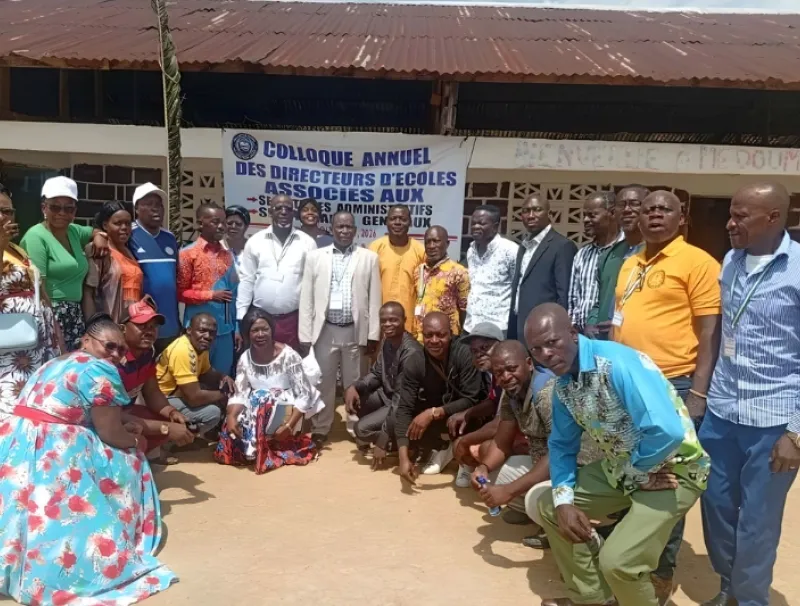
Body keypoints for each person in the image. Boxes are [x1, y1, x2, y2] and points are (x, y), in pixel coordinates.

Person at [527, 304, 708, 606]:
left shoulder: (615, 364)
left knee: (618, 561)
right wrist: (565, 500)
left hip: (675, 470)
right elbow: (561, 446)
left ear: (572, 333)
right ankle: (594, 599)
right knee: (551, 505)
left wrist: (635, 470)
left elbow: (667, 431)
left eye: (552, 342)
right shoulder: (563, 387)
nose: (545, 353)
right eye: (536, 349)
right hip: (625, 468)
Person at [0, 314, 176, 604]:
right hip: (53, 444)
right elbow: (109, 432)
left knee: (21, 505)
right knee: (129, 458)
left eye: (122, 350)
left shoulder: (56, 361)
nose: (118, 356)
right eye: (110, 347)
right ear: (86, 341)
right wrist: (135, 442)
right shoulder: (99, 369)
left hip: (16, 438)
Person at [699, 183, 800, 606]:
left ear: (773, 218)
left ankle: (750, 598)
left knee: (758, 524)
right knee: (716, 509)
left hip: (773, 421)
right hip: (722, 413)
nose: (730, 222)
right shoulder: (730, 261)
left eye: (741, 215)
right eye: (731, 212)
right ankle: (730, 585)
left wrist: (795, 432)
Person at [300, 211, 381, 445]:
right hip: (325, 330)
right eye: (339, 227)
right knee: (324, 382)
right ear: (332, 229)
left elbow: (375, 298)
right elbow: (306, 298)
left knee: (355, 382)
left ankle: (357, 428)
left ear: (355, 230)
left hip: (355, 331)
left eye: (348, 227)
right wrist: (305, 335)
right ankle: (321, 427)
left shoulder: (368, 258)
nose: (344, 231)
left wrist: (373, 335)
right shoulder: (315, 257)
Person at [215, 307, 320, 473]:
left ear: (272, 330)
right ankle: (252, 448)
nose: (260, 334)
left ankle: (257, 448)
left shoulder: (288, 355)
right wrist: (231, 416)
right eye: (255, 330)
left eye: (265, 329)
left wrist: (289, 426)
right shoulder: (245, 358)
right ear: (247, 334)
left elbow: (305, 394)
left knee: (261, 396)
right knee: (239, 414)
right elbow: (240, 391)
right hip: (259, 406)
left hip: (288, 407)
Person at [21, 176, 109, 350]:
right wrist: (53, 325)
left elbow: (94, 231)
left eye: (68, 208)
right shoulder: (36, 236)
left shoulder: (74, 231)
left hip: (75, 313)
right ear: (43, 208)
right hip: (51, 311)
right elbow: (39, 286)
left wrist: (100, 237)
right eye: (55, 207)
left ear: (75, 211)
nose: (62, 213)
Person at [393, 312, 482, 481]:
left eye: (441, 335)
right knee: (400, 422)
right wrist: (403, 458)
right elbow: (404, 408)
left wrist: (433, 412)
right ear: (422, 334)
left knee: (465, 415)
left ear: (451, 333)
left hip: (467, 413)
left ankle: (466, 460)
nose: (434, 340)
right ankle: (442, 447)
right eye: (429, 335)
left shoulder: (464, 353)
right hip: (440, 411)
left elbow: (472, 398)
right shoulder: (415, 360)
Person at [0, 183, 62, 417]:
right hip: (7, 353)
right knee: (9, 411)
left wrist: (58, 341)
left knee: (36, 407)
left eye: (8, 211)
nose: (3, 216)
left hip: (37, 345)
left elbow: (40, 293)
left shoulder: (17, 249)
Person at [118, 296, 195, 462]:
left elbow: (152, 392)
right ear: (122, 329)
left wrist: (172, 413)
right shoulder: (113, 360)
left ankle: (142, 457)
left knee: (165, 418)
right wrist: (166, 428)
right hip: (103, 421)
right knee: (145, 437)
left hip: (125, 413)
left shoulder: (147, 353)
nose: (149, 331)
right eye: (141, 325)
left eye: (153, 327)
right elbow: (110, 416)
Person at [345, 302, 423, 466]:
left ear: (404, 320)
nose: (388, 324)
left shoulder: (410, 352)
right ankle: (394, 439)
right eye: (384, 321)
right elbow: (377, 374)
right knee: (357, 399)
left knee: (361, 430)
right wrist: (354, 387)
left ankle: (402, 444)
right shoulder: (388, 342)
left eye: (393, 320)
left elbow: (400, 402)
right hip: (387, 396)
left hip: (404, 405)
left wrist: (382, 439)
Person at [237, 194, 316, 351]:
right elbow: (247, 280)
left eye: (288, 208)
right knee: (261, 368)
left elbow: (312, 285)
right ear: (269, 212)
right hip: (259, 320)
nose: (283, 212)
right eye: (278, 208)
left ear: (293, 213)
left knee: (291, 367)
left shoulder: (307, 242)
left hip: (294, 320)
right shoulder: (255, 241)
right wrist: (241, 316)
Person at [178, 202, 238, 376]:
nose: (221, 226)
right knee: (197, 378)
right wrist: (211, 295)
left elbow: (234, 294)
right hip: (199, 333)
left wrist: (237, 328)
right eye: (215, 221)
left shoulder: (228, 255)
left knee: (223, 379)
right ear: (200, 223)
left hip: (225, 331)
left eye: (223, 222)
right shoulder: (187, 254)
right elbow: (180, 293)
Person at [508, 194, 576, 341]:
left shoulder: (562, 246)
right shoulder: (524, 246)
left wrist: (557, 330)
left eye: (537, 210)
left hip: (544, 330)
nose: (531, 215)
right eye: (526, 211)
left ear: (549, 214)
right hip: (519, 326)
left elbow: (563, 294)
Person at [156, 313, 235, 439]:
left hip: (175, 395)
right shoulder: (182, 350)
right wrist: (225, 394)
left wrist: (223, 377)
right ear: (189, 330)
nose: (207, 336)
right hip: (161, 400)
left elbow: (206, 373)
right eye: (202, 331)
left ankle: (186, 436)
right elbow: (194, 398)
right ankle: (177, 439)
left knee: (212, 391)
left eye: (212, 332)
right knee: (212, 413)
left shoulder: (199, 346)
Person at [586, 185, 648, 340]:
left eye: (634, 204)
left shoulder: (656, 254)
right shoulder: (609, 255)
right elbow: (600, 300)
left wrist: (620, 322)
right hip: (604, 343)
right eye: (622, 205)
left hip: (637, 342)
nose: (627, 210)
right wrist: (591, 322)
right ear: (615, 213)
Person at [449, 322, 506, 488]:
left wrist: (464, 441)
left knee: (482, 448)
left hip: (526, 440)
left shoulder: (508, 372)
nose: (479, 354)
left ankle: (495, 479)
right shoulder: (493, 374)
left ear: (500, 346)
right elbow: (493, 402)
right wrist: (467, 413)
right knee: (462, 418)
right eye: (474, 351)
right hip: (507, 430)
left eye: (485, 347)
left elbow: (500, 425)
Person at [129, 182, 181, 354]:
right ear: (137, 208)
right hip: (143, 327)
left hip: (170, 325)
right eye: (149, 204)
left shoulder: (170, 238)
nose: (156, 209)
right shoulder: (128, 234)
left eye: (159, 205)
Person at [567, 191, 623, 334]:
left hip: (612, 334)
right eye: (584, 215)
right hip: (583, 337)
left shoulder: (627, 252)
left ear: (611, 213)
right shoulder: (582, 254)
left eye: (592, 215)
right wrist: (573, 327)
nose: (585, 220)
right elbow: (574, 298)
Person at [83, 201, 143, 323]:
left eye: (127, 223)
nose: (124, 228)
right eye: (118, 223)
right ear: (105, 225)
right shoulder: (100, 250)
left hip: (132, 327)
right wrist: (93, 327)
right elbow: (88, 294)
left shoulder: (130, 251)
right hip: (108, 326)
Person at [368, 204, 426, 332]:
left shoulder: (420, 251)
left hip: (409, 321)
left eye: (403, 219)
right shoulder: (375, 248)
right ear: (386, 222)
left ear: (410, 222)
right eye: (393, 218)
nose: (398, 222)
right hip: (381, 320)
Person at [464, 205, 519, 337]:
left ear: (495, 227)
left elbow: (519, 287)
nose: (476, 227)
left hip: (498, 328)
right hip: (471, 326)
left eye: (481, 223)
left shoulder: (510, 250)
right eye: (474, 223)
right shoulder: (471, 251)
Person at [412, 225, 470, 342]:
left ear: (447, 243)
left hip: (445, 340)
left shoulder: (459, 272)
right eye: (428, 242)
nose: (432, 246)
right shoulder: (419, 270)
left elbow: (465, 309)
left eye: (436, 241)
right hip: (420, 338)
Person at [224, 204, 250, 272]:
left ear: (246, 226)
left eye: (238, 224)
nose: (233, 226)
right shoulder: (215, 248)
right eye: (229, 223)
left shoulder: (254, 248)